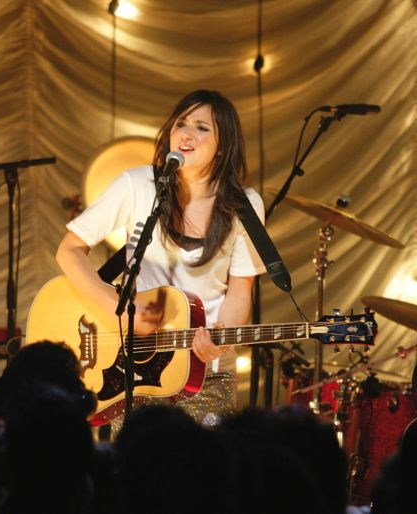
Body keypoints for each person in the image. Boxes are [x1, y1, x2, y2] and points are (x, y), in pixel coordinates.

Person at [56, 89, 265, 426]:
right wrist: (119, 310)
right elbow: (69, 251)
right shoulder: (138, 184)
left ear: (223, 144)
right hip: (137, 369)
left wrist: (220, 340)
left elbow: (241, 289)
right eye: (180, 124)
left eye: (201, 128)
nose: (186, 134)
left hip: (206, 371)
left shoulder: (246, 203)